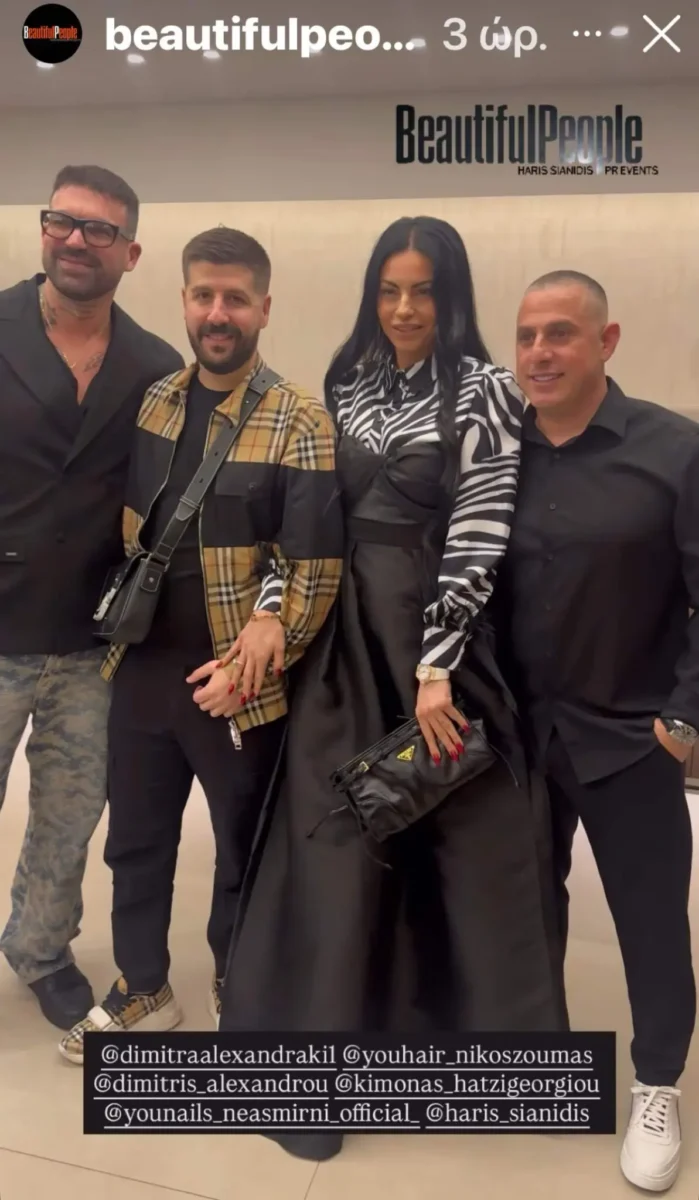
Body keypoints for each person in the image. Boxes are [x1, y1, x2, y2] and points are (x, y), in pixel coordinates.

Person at [218, 216, 568, 1162]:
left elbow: (480, 532)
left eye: (422, 290)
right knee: (334, 843)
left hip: (432, 651)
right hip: (342, 645)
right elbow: (311, 518)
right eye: (388, 289)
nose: (404, 308)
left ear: (450, 296)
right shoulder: (346, 379)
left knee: (457, 841)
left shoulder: (487, 389)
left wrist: (436, 666)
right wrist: (275, 610)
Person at [58, 226, 343, 1065]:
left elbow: (313, 564)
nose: (218, 313)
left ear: (264, 308)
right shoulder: (156, 402)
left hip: (237, 684)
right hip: (142, 670)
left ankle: (239, 981)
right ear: (184, 300)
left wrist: (264, 646)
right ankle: (143, 986)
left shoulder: (299, 419)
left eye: (235, 299)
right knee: (134, 844)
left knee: (240, 849)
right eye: (203, 295)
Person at [494, 269, 698, 1192]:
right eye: (527, 335)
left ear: (605, 341)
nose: (539, 352)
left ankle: (656, 1086)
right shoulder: (494, 455)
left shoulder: (673, 452)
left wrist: (683, 720)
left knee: (649, 924)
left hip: (628, 739)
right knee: (523, 910)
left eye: (560, 333)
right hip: (515, 738)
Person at [0, 164, 184, 1031]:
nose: (77, 240)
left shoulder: (155, 365)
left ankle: (40, 950)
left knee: (69, 815)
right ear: (44, 230)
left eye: (100, 230)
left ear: (130, 253)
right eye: (63, 222)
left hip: (90, 639)